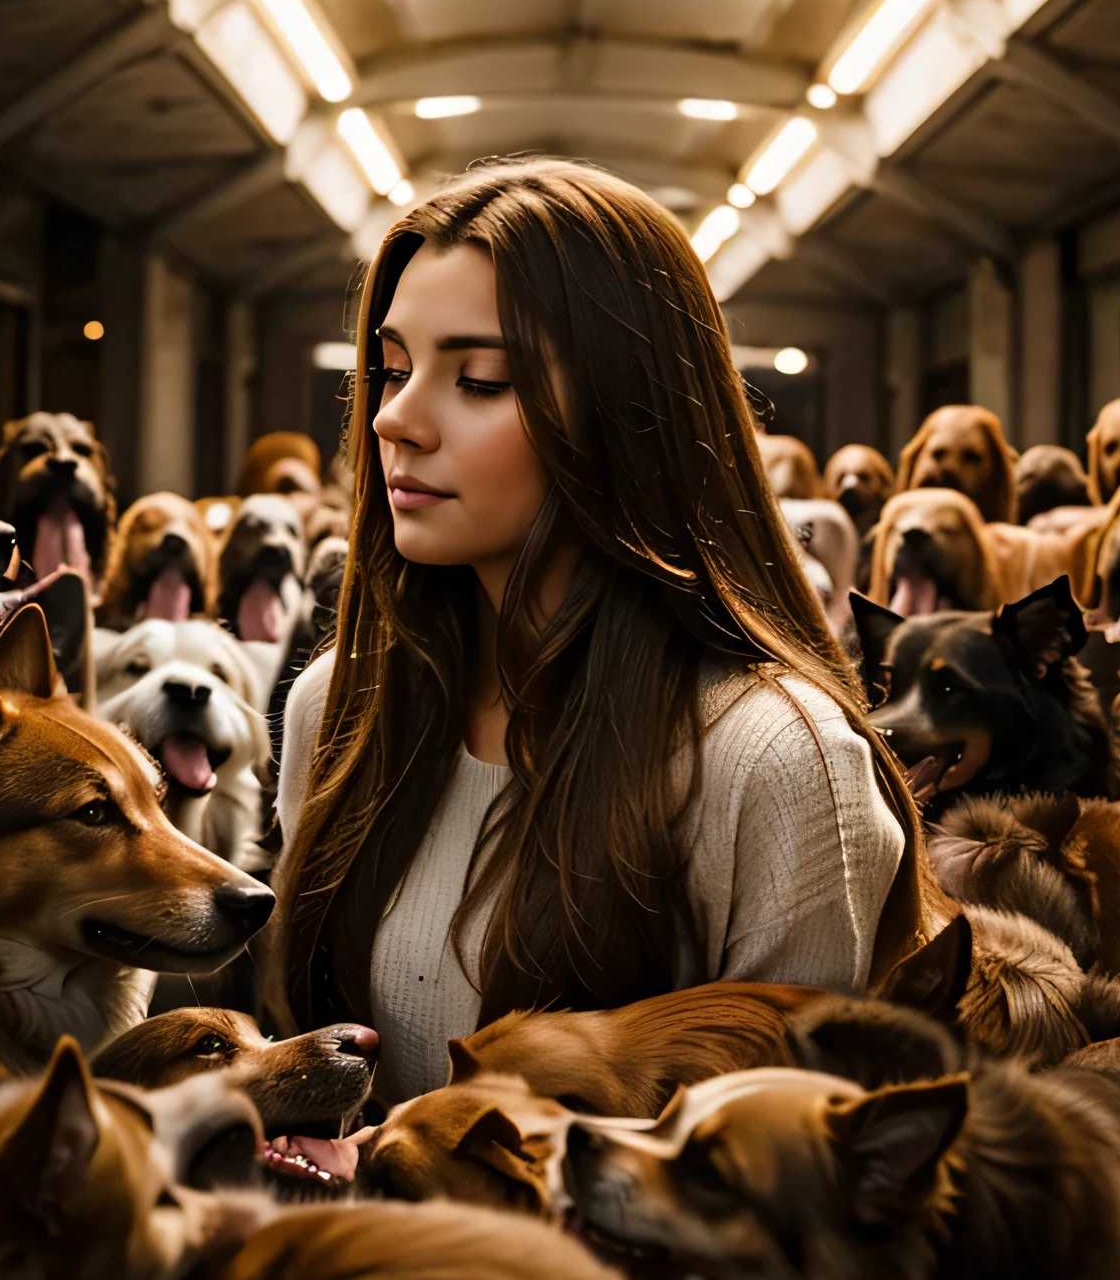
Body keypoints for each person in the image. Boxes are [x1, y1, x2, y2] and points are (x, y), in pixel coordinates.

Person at [269, 159, 934, 1105]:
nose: (394, 418)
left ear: (629, 417)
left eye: (482, 379)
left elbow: (784, 1188)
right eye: (390, 367)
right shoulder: (336, 707)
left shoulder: (774, 764)